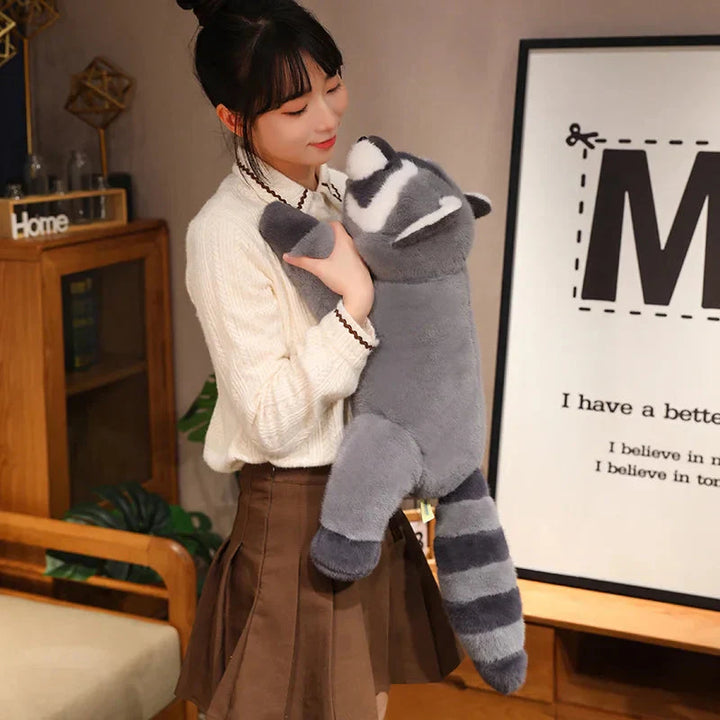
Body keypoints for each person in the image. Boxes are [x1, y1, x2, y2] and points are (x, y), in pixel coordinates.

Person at [173, 1, 463, 718]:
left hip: (367, 498)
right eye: (296, 108)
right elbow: (271, 420)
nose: (327, 118)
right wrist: (354, 307)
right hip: (297, 517)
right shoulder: (225, 234)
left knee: (369, 701)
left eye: (332, 86)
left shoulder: (339, 194)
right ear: (232, 118)